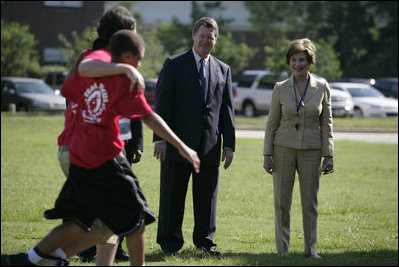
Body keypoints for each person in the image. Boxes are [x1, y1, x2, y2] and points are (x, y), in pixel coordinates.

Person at [1, 29, 200, 267]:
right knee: (136, 219)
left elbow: (70, 86)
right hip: (105, 158)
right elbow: (147, 116)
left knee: (84, 222)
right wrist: (181, 146)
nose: (139, 64)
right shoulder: (122, 80)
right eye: (138, 58)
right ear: (126, 55)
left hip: (78, 156)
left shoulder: (85, 75)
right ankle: (43, 258)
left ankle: (36, 259)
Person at [57, 5, 142, 264]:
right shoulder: (102, 59)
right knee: (117, 218)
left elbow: (70, 90)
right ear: (124, 35)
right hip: (90, 151)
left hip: (83, 149)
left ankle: (45, 256)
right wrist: (125, 70)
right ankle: (44, 257)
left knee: (107, 223)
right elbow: (82, 75)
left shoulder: (100, 59)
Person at [153, 17, 235, 256]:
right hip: (176, 144)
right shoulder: (174, 64)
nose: (205, 40)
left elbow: (227, 110)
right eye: (202, 36)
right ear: (193, 36)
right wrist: (159, 139)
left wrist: (229, 145)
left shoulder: (223, 69)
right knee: (172, 196)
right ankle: (170, 243)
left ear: (216, 39)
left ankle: (205, 242)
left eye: (210, 37)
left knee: (207, 198)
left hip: (209, 146)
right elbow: (163, 104)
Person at [262, 38, 334, 259]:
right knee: (282, 202)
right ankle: (282, 250)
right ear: (289, 62)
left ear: (310, 61)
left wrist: (328, 154)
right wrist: (267, 154)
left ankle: (310, 249)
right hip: (282, 148)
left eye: (302, 59)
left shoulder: (322, 87)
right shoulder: (280, 88)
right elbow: (272, 122)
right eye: (293, 60)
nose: (297, 64)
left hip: (312, 150)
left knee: (310, 203)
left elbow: (327, 123)